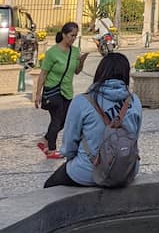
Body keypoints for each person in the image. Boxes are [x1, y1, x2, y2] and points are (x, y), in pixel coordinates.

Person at [44, 52, 142, 188]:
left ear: (100, 72)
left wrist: (73, 158)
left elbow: (69, 146)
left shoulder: (82, 101)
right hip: (128, 169)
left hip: (88, 171)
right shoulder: (135, 100)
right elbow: (134, 136)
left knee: (49, 186)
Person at [33, 22, 91, 160]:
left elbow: (76, 71)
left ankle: (45, 139)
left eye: (75, 36)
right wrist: (38, 94)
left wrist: (81, 61)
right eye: (71, 35)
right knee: (57, 119)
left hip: (67, 90)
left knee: (64, 121)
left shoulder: (75, 51)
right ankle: (51, 149)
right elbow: (43, 74)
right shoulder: (52, 53)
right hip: (53, 90)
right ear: (64, 34)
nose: (73, 38)